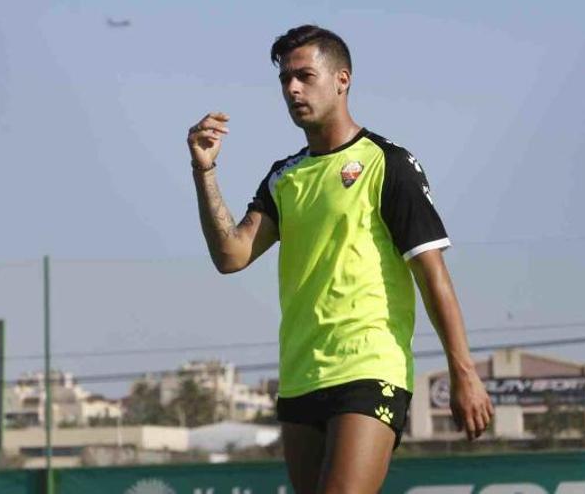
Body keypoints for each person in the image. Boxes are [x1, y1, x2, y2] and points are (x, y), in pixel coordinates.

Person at [186, 24, 493, 494]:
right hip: (299, 376)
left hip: (369, 371)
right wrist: (204, 170)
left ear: (342, 80)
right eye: (286, 79)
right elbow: (231, 254)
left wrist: (464, 373)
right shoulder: (284, 177)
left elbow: (434, 276)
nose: (292, 89)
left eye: (305, 76)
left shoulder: (387, 163)